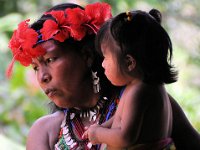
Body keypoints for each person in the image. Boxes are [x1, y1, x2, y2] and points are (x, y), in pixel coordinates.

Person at [7, 2, 200, 150]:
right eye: (35, 68)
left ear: (87, 56)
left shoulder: (146, 98)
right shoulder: (45, 132)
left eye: (50, 60)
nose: (42, 77)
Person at [83, 9, 177, 149]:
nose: (102, 64)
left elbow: (125, 138)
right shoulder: (146, 86)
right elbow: (122, 117)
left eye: (106, 58)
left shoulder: (139, 91)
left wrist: (98, 134)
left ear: (129, 62)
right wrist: (102, 126)